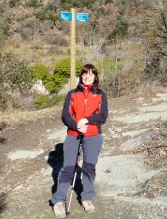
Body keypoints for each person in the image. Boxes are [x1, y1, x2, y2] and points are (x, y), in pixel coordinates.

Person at [50, 63, 108, 218]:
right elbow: (65, 115)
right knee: (68, 167)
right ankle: (58, 200)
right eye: (84, 73)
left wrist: (86, 121)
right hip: (73, 135)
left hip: (93, 136)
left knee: (89, 167)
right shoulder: (72, 94)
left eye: (91, 74)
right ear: (81, 76)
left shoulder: (101, 95)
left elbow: (103, 116)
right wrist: (76, 125)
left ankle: (87, 197)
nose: (87, 76)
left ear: (95, 77)